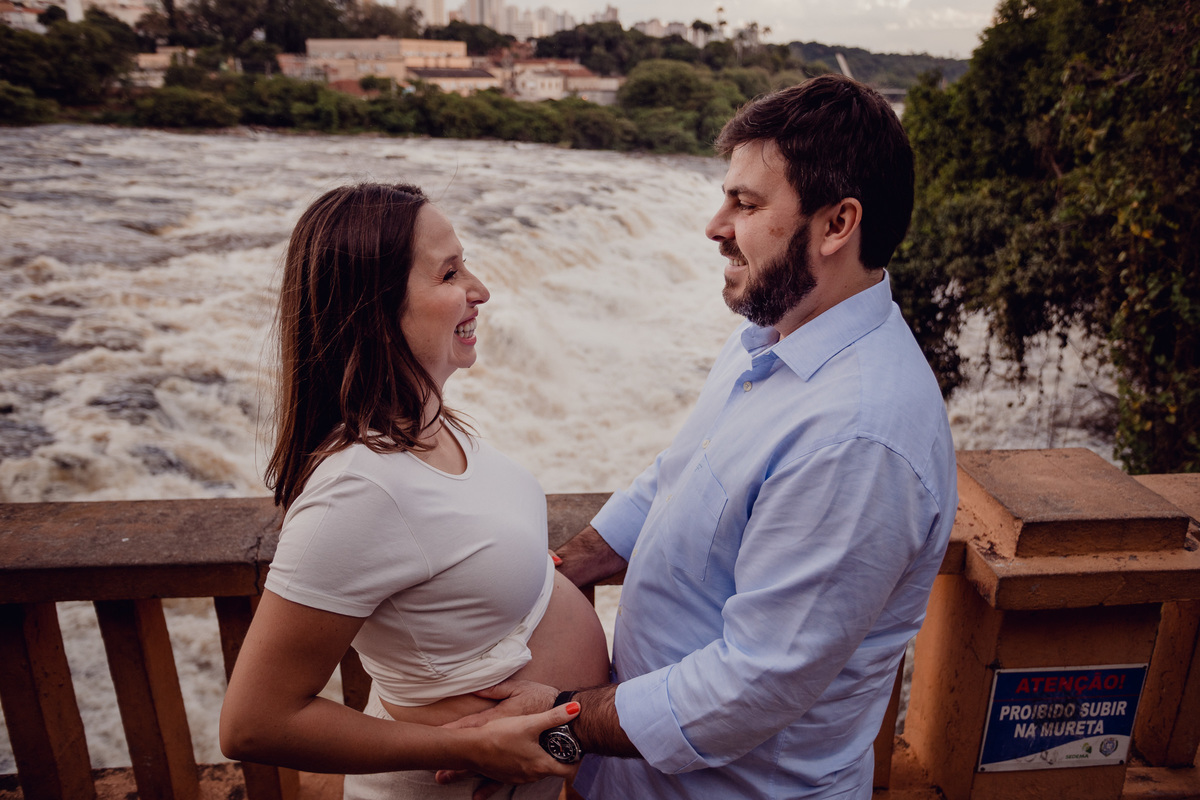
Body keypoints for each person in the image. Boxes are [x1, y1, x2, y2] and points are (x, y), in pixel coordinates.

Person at [454, 74, 959, 799]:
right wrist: (566, 566)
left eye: (746, 204)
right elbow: (678, 474)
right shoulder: (772, 335)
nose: (715, 225)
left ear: (836, 225)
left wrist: (556, 723)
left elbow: (752, 685)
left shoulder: (858, 438)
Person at [219, 182, 611, 800]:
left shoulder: (434, 425)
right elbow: (253, 723)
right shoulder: (357, 487)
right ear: (375, 311)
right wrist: (468, 746)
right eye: (450, 273)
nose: (480, 289)